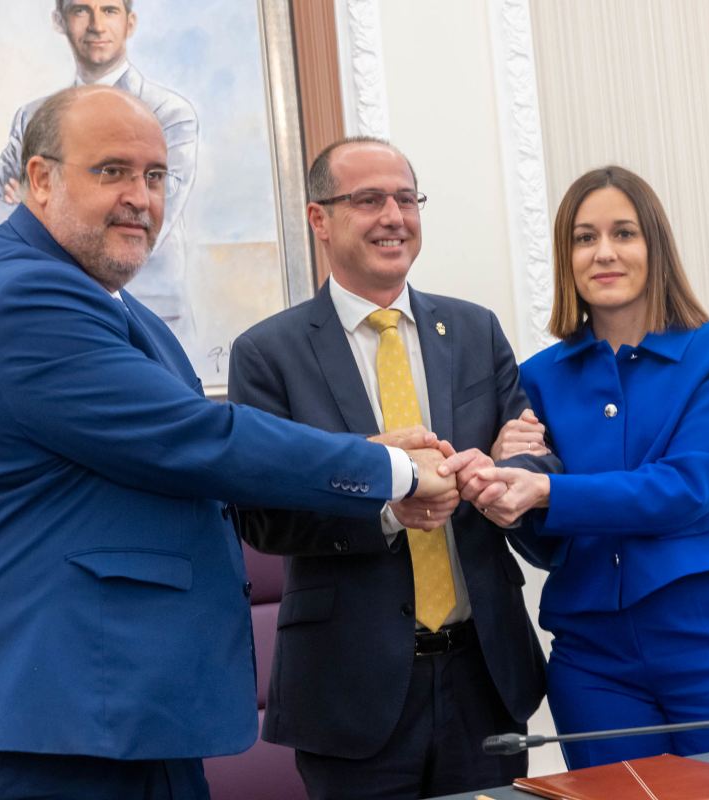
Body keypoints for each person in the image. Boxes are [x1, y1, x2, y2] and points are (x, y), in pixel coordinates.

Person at [0, 86, 464, 800]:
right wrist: (389, 470)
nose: (141, 197)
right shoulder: (25, 298)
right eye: (112, 171)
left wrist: (368, 461)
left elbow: (174, 450)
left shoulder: (113, 305)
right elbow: (193, 439)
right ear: (39, 180)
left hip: (122, 715)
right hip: (41, 726)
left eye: (156, 176)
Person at [227, 137, 557, 800]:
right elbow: (261, 515)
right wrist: (384, 504)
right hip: (348, 688)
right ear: (320, 219)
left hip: (484, 676)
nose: (393, 216)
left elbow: (531, 452)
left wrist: (503, 473)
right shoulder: (269, 354)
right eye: (369, 199)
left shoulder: (473, 330)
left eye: (406, 198)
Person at [472, 166, 709, 768]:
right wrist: (506, 488)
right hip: (593, 662)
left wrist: (545, 488)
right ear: (565, 257)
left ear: (655, 246)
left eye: (623, 233)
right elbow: (550, 546)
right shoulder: (538, 378)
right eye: (583, 238)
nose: (604, 253)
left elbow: (685, 489)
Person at [0, 0, 198, 345]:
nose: (95, 24)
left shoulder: (170, 113)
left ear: (131, 23)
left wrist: (33, 213)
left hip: (153, 319)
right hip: (52, 321)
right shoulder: (32, 117)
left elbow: (143, 226)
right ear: (59, 21)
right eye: (80, 10)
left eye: (109, 10)